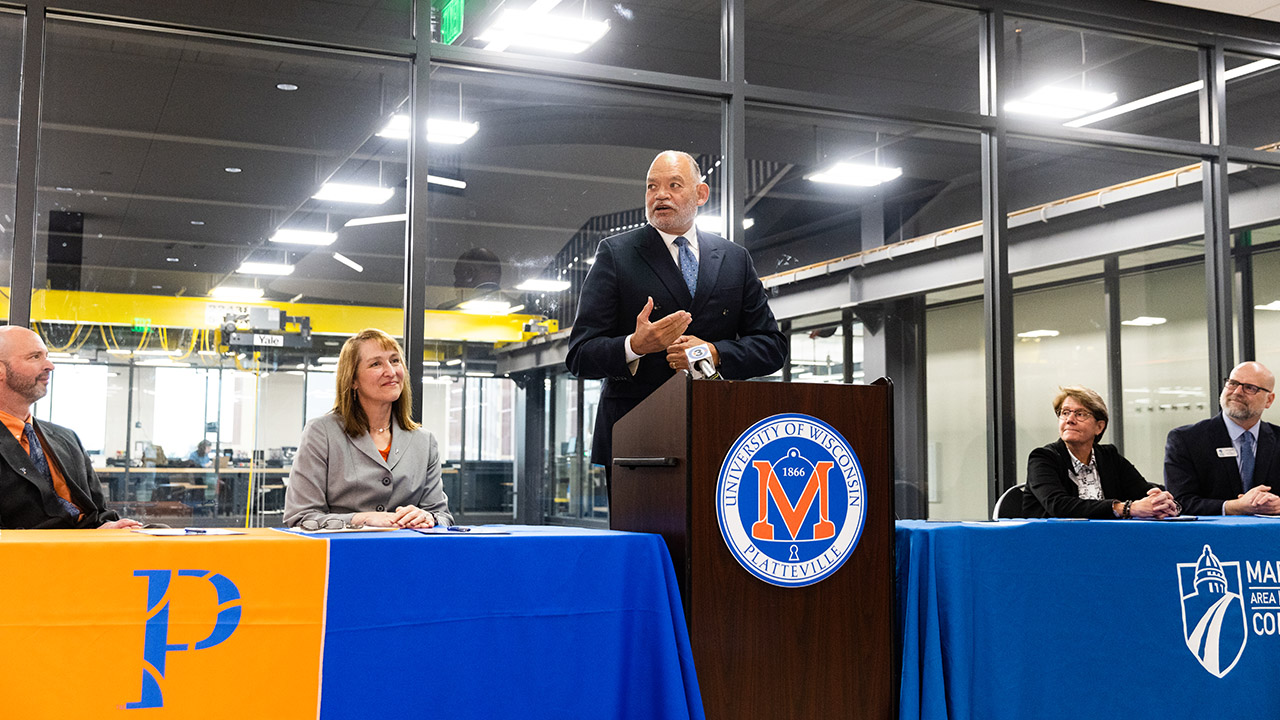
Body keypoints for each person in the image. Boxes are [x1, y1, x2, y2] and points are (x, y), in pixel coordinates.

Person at [566, 150, 788, 477]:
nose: (661, 195)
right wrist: (634, 346)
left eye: (674, 185)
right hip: (637, 438)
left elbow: (772, 347)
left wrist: (713, 352)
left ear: (701, 194)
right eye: (652, 187)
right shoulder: (616, 254)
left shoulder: (735, 259)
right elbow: (579, 355)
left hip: (720, 436)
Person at [284, 328, 453, 529]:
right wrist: (362, 519)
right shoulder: (322, 433)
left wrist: (428, 517)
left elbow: (443, 517)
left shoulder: (424, 441)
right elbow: (300, 517)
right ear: (353, 379)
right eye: (376, 364)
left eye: (395, 361)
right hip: (344, 555)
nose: (391, 372)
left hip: (407, 555)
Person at [0, 326, 140, 529]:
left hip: (90, 551)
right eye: (35, 357)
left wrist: (107, 527)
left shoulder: (66, 438)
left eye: (46, 356)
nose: (50, 365)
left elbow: (98, 512)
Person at [1024, 386, 1179, 519]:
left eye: (1080, 414)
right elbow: (1059, 506)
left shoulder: (1108, 456)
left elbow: (1142, 489)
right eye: (1065, 412)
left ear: (1099, 427)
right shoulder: (1043, 458)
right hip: (1054, 544)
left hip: (1105, 541)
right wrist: (1125, 508)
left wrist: (1163, 503)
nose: (1069, 419)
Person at [1165, 361, 1280, 516]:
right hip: (1211, 538)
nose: (1237, 392)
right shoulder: (1186, 440)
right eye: (1233, 383)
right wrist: (1234, 506)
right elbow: (1178, 503)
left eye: (1250, 388)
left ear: (1269, 400)